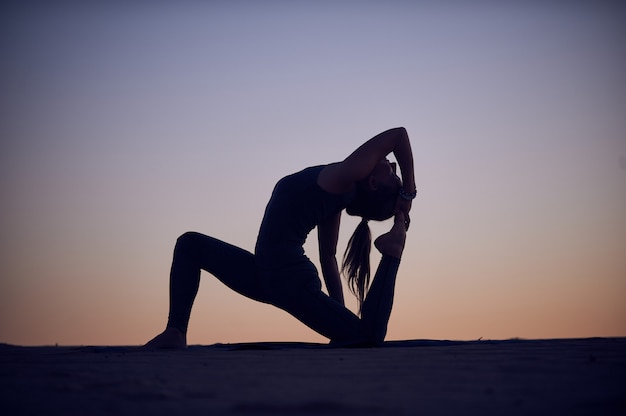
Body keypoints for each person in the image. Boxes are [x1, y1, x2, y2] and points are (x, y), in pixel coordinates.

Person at [145, 127, 416, 349]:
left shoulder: (342, 180)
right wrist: (339, 318)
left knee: (367, 336)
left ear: (372, 183)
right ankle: (176, 331)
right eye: (394, 171)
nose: (391, 163)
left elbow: (398, 137)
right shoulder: (337, 192)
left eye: (392, 173)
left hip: (288, 279)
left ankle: (392, 252)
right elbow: (328, 258)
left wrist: (407, 195)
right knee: (190, 245)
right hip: (264, 274)